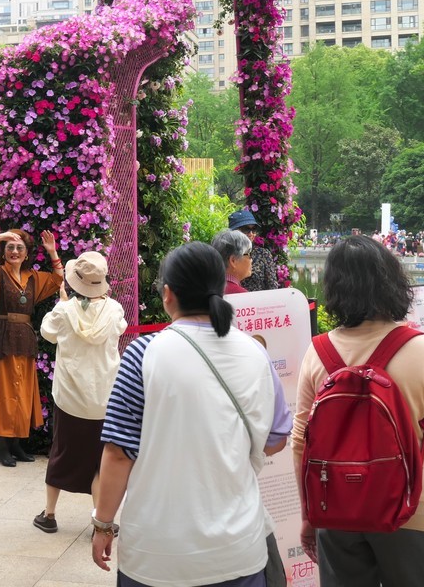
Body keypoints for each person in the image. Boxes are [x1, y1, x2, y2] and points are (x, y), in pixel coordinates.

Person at [92, 243, 289, 586]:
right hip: (238, 549)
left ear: (168, 294)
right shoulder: (255, 353)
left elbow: (118, 454)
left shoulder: (144, 352)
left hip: (156, 555)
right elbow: (276, 440)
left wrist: (103, 524)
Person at [292, 236, 424, 586]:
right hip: (412, 512)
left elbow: (302, 444)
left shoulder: (318, 352)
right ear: (391, 281)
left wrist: (309, 517)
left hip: (336, 511)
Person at [34, 251, 127, 536]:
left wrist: (63, 305)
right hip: (104, 398)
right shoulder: (114, 310)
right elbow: (120, 331)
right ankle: (101, 521)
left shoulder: (64, 311)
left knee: (61, 452)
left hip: (70, 399)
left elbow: (47, 332)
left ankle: (49, 515)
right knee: (100, 461)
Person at [0, 227, 63, 466]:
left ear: (26, 253)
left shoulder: (33, 278)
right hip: (1, 338)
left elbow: (58, 279)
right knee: (3, 392)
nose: (14, 251)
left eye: (19, 248)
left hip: (24, 340)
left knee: (22, 391)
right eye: (9, 247)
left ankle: (17, 445)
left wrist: (52, 252)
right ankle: (2, 445)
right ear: (3, 251)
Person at [228, 209, 280, 292]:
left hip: (258, 302)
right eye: (246, 229)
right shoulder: (225, 254)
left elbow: (273, 287)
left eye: (254, 229)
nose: (251, 233)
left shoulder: (263, 254)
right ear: (233, 231)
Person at [213, 229, 254, 296]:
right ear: (233, 260)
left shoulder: (208, 289)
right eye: (249, 254)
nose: (251, 259)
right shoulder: (241, 296)